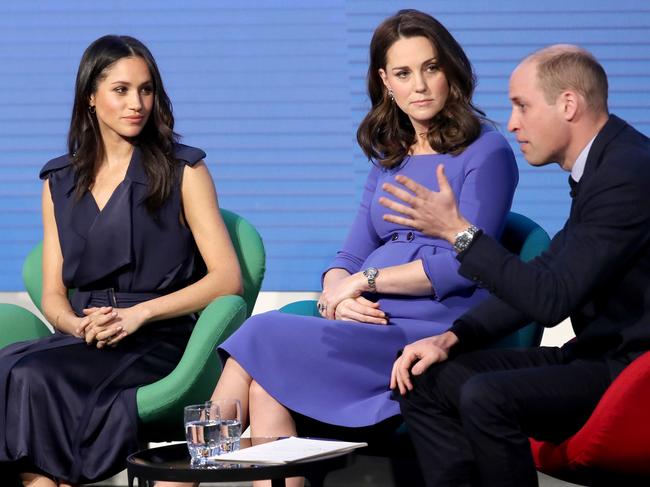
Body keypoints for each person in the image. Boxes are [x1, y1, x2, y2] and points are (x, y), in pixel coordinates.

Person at [210, 7, 517, 477]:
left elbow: (466, 262)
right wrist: (337, 296)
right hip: (368, 323)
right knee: (265, 386)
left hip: (430, 331)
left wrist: (365, 280)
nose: (419, 85)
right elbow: (348, 256)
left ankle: (184, 472)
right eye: (403, 72)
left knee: (261, 333)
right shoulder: (389, 160)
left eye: (431, 68)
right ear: (385, 81)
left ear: (450, 70)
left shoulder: (487, 150)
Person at [384, 45, 650, 487]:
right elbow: (546, 271)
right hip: (596, 359)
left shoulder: (627, 174)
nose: (512, 124)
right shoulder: (605, 166)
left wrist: (459, 234)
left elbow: (551, 300)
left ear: (568, 104)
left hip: (630, 374)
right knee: (424, 380)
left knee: (487, 396)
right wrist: (453, 337)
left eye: (522, 106)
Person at [0, 35, 242, 486]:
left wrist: (138, 315)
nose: (137, 103)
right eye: (121, 89)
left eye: (146, 89)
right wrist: (75, 325)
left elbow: (227, 279)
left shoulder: (184, 170)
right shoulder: (58, 180)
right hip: (87, 334)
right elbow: (54, 292)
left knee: (35, 375)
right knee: (10, 368)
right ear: (91, 96)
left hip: (159, 334)